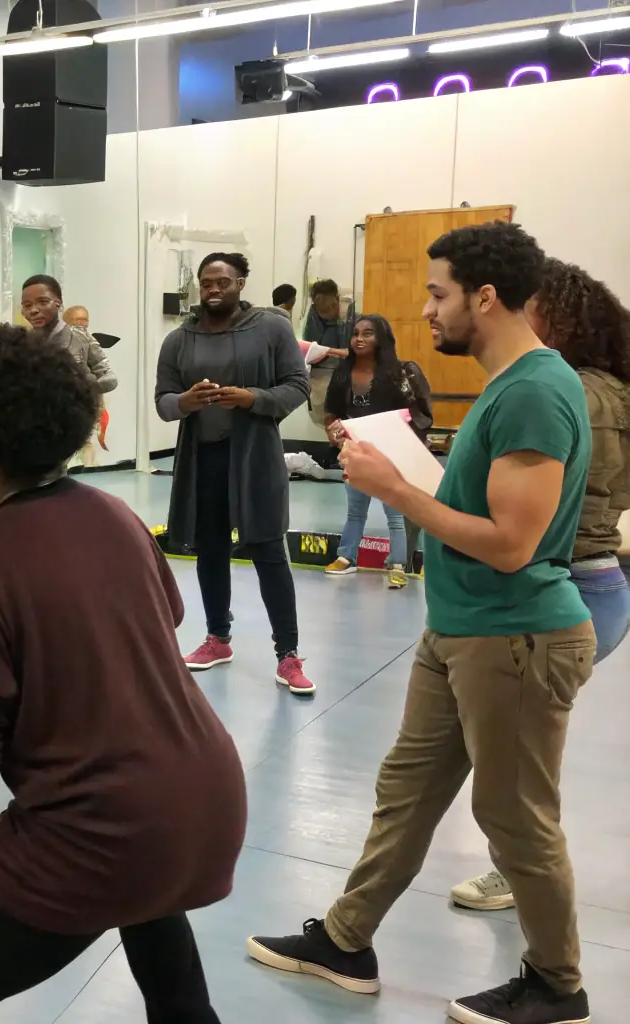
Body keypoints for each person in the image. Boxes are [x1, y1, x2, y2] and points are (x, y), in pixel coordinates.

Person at [248, 223, 598, 1024]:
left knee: (513, 818)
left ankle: (556, 984)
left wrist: (392, 491)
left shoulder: (537, 390)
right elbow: (470, 503)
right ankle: (345, 940)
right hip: (461, 628)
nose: (426, 308)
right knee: (405, 791)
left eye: (438, 293)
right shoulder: (505, 386)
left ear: (484, 297)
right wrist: (395, 461)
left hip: (514, 634)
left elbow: (512, 545)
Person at [0, 317, 245, 1023]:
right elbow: (151, 617)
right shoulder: (115, 514)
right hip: (201, 798)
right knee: (154, 932)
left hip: (98, 832)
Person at [449, 256, 630, 915]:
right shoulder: (604, 387)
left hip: (569, 584)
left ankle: (520, 878)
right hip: (598, 581)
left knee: (519, 756)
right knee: (508, 744)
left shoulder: (565, 391)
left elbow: (535, 513)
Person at [155, 252, 316, 694]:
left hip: (254, 460)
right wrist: (185, 402)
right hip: (202, 460)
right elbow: (163, 400)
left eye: (223, 281)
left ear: (241, 283)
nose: (213, 289)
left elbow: (297, 384)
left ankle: (288, 655)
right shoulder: (179, 340)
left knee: (269, 552)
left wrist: (253, 399)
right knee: (210, 552)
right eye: (207, 282)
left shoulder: (270, 327)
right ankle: (217, 638)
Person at [321, 315, 433, 589]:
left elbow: (420, 414)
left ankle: (398, 564)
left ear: (381, 338)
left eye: (367, 333)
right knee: (355, 511)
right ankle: (347, 557)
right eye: (355, 333)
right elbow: (331, 411)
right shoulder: (342, 372)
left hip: (390, 454)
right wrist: (333, 432)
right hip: (355, 451)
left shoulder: (401, 372)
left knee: (395, 514)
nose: (359, 338)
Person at [20, 274, 118, 395]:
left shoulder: (81, 338)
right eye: (27, 305)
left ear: (58, 304)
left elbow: (108, 376)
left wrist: (85, 390)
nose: (33, 310)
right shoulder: (23, 343)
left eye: (43, 302)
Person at [303, 279, 353, 427]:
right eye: (324, 310)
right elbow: (309, 349)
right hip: (321, 376)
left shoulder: (349, 313)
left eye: (333, 306)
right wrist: (332, 352)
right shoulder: (313, 319)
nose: (331, 311)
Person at [63, 303, 111, 455]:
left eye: (84, 320)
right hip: (64, 400)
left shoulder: (90, 344)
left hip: (86, 400)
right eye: (77, 320)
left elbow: (100, 371)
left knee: (86, 442)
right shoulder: (59, 343)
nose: (81, 324)